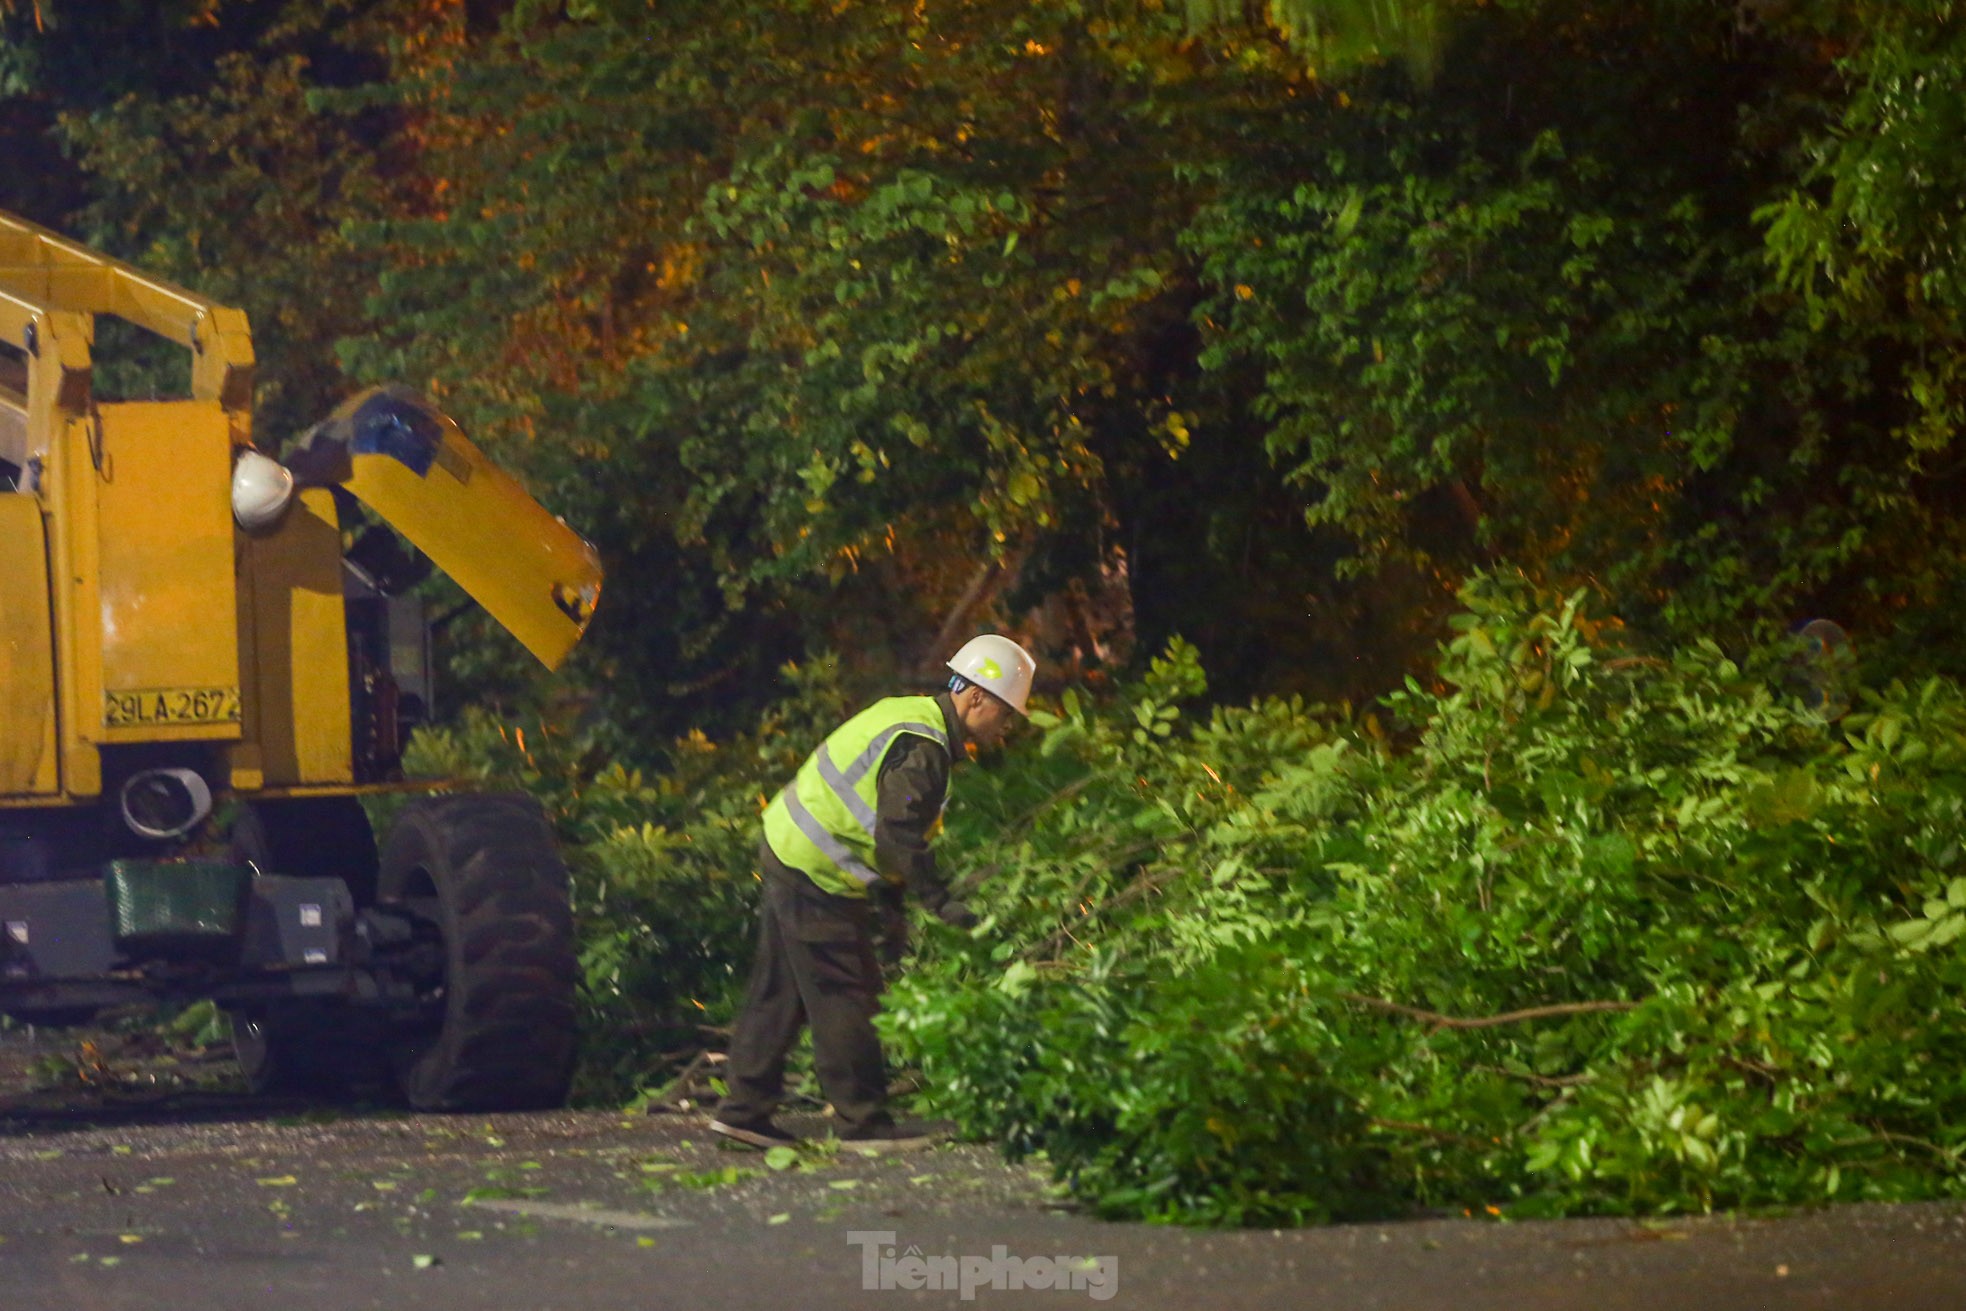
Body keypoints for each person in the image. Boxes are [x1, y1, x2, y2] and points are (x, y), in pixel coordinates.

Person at [709, 634, 1037, 1154]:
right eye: (1006, 713)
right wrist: (938, 901)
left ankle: (743, 1112)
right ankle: (863, 1124)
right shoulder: (925, 749)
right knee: (848, 992)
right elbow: (897, 836)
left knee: (781, 991)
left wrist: (890, 904)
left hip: (792, 848)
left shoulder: (912, 717)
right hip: (817, 867)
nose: (1007, 726)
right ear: (976, 698)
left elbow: (882, 828)